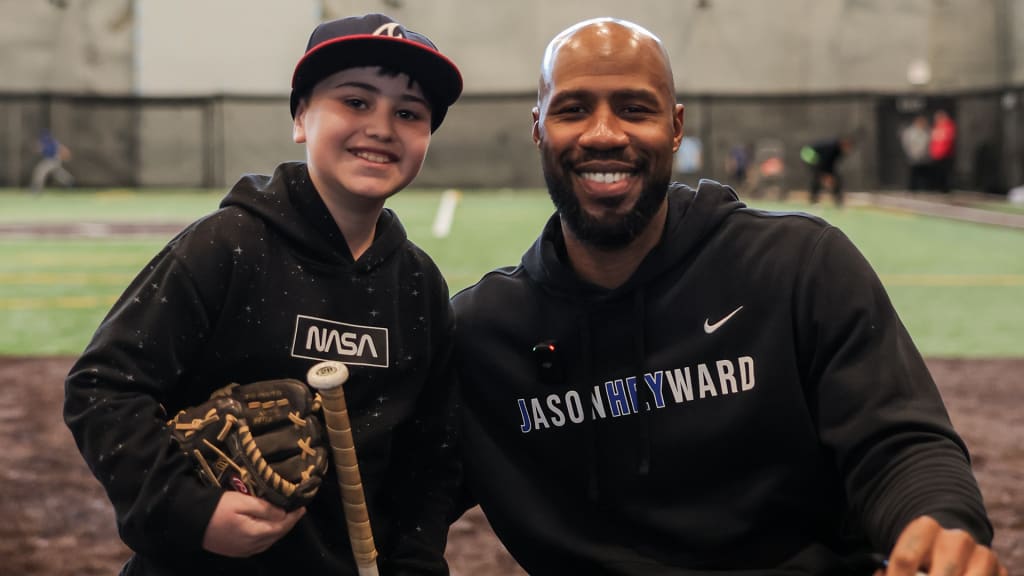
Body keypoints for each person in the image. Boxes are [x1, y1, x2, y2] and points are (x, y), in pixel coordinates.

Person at [451, 17, 1006, 576]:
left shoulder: (799, 266)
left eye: (634, 108)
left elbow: (897, 446)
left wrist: (940, 528)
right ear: (538, 128)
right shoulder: (482, 334)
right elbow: (396, 500)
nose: (604, 133)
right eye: (572, 109)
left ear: (675, 126)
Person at [64, 13, 462, 575]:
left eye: (407, 113)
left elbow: (432, 456)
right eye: (355, 101)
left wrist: (416, 563)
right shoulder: (226, 246)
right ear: (301, 117)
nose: (381, 126)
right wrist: (191, 511)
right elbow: (101, 387)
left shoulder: (418, 285)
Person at [801, 136, 853, 207]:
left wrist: (829, 176)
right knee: (818, 177)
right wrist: (825, 176)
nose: (848, 150)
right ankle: (814, 201)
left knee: (835, 179)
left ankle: (838, 202)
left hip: (820, 160)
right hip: (808, 153)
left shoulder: (837, 151)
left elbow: (831, 165)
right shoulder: (831, 149)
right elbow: (822, 163)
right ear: (843, 144)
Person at [30, 128, 74, 193]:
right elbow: (39, 149)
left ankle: (37, 189)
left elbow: (63, 149)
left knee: (40, 171)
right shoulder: (47, 142)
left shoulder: (52, 142)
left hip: (52, 160)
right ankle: (69, 182)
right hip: (53, 161)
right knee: (58, 174)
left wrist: (66, 155)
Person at [900, 114, 931, 191]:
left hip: (924, 158)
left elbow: (928, 144)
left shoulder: (926, 132)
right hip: (913, 156)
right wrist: (911, 153)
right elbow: (906, 144)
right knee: (913, 174)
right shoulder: (910, 132)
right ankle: (912, 190)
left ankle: (924, 189)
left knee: (924, 175)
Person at [929, 109, 957, 194]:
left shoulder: (949, 126)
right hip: (936, 154)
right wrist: (933, 152)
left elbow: (948, 141)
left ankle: (945, 188)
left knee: (945, 173)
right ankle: (937, 187)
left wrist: (945, 152)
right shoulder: (936, 127)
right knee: (937, 172)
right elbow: (933, 141)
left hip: (946, 154)